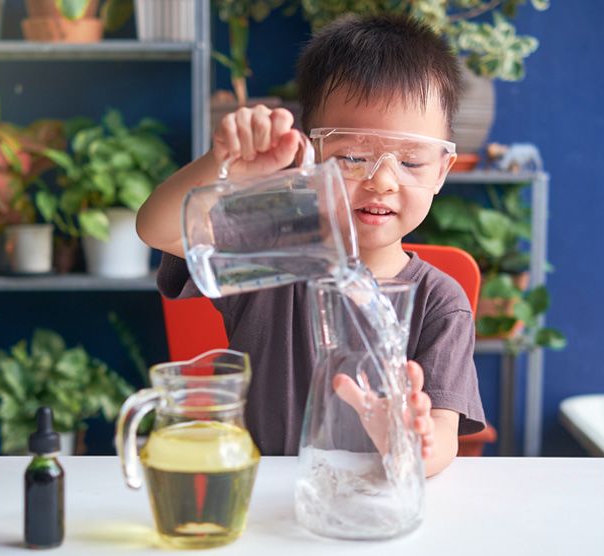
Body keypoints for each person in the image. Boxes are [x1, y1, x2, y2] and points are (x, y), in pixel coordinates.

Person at [137, 13, 485, 476]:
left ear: (441, 170)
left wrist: (413, 441)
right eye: (353, 157)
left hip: (374, 502)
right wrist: (223, 171)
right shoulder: (274, 254)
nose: (382, 181)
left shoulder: (441, 302)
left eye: (411, 161)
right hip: (260, 497)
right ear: (312, 155)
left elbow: (443, 436)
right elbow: (156, 228)